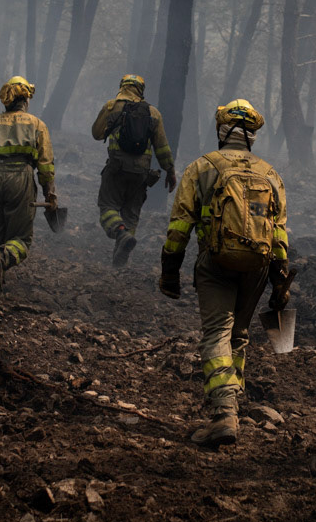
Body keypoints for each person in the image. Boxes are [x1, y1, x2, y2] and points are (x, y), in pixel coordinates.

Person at [159, 99, 292, 448]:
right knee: (240, 334)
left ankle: (223, 415)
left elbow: (179, 226)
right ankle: (232, 403)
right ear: (252, 136)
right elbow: (279, 234)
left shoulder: (202, 167)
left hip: (216, 264)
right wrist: (280, 283)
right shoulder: (271, 175)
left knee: (217, 332)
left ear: (221, 131)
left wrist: (170, 272)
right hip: (258, 268)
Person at [0, 76, 56, 297]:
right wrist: (50, 196)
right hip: (20, 180)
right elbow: (45, 165)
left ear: (6, 100)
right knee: (22, 237)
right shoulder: (36, 124)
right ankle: (2, 259)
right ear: (26, 100)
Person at [90, 74, 177, 266]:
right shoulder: (153, 113)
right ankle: (121, 258)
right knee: (131, 213)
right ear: (141, 89)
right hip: (140, 174)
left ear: (123, 86)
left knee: (107, 207)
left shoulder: (112, 106)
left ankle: (120, 232)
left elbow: (96, 134)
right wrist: (170, 171)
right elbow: (161, 147)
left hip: (116, 169)